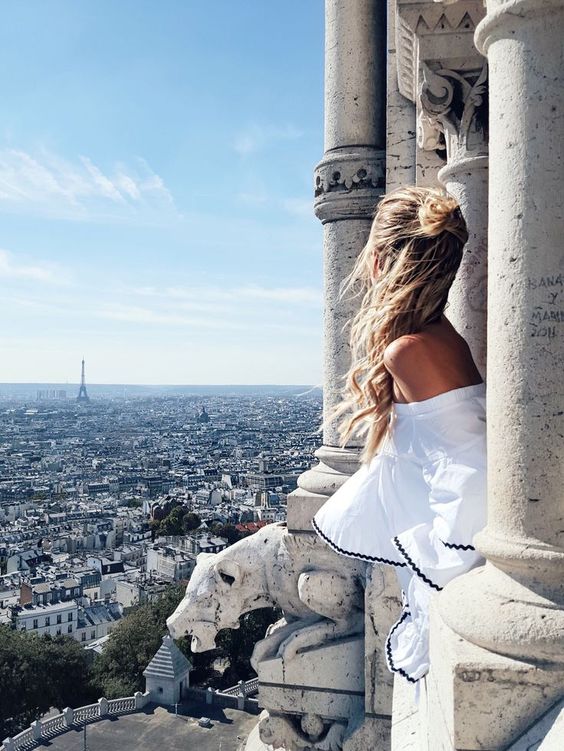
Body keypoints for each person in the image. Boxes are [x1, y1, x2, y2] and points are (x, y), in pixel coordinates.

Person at [312, 185, 487, 685]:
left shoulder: (408, 351)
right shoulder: (441, 337)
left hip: (451, 566)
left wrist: (443, 559)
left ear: (384, 259)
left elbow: (469, 465)